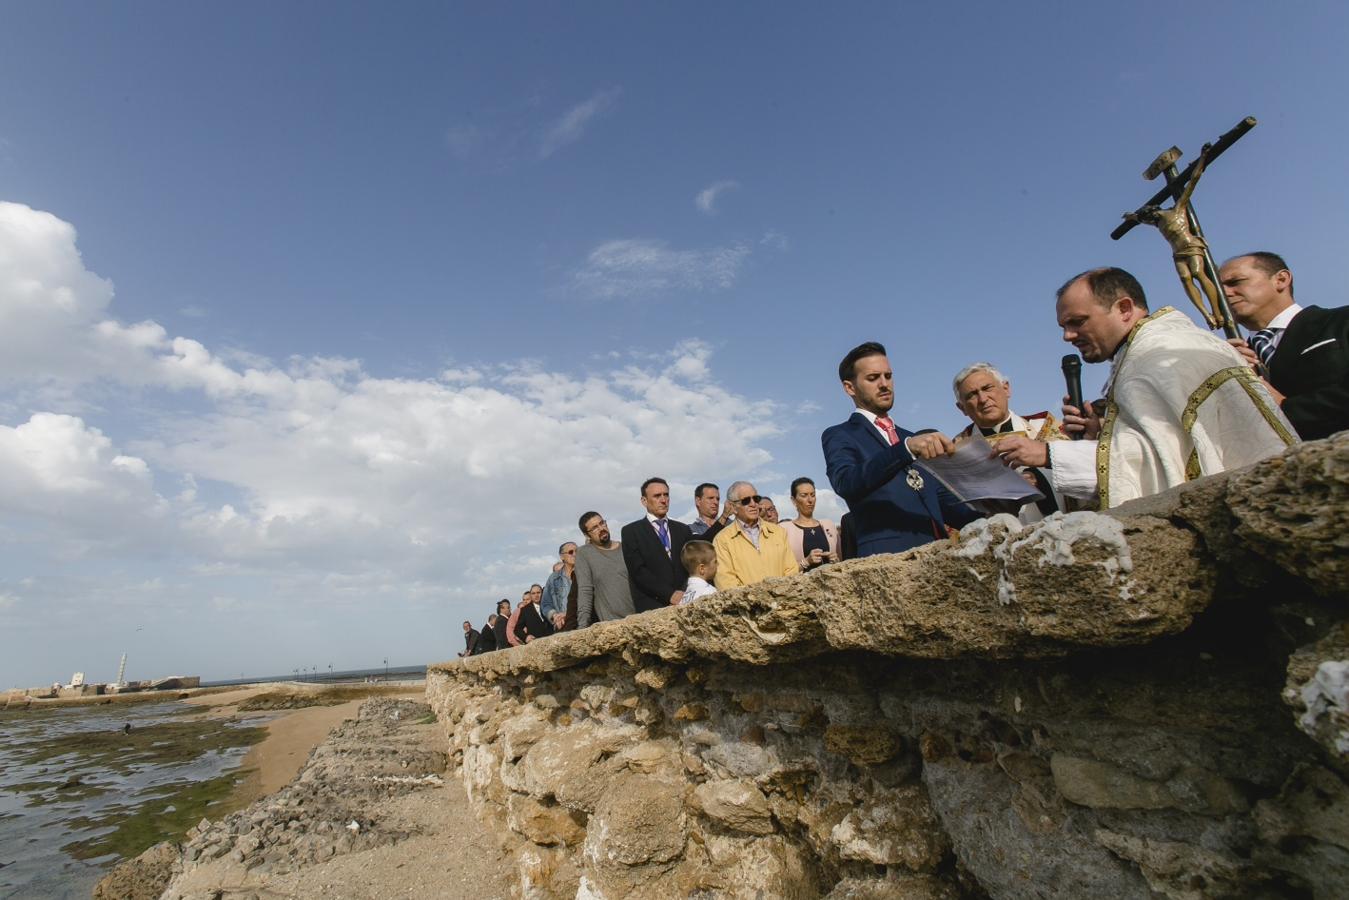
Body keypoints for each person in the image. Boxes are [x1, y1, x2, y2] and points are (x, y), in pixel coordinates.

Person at [993, 267, 1297, 509]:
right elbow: (1168, 448)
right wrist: (1097, 434)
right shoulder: (1148, 351)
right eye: (1063, 326)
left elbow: (1157, 466)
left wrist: (1049, 454)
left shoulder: (1160, 358)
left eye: (1077, 322)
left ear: (1124, 308)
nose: (1068, 336)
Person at [822, 342, 979, 557]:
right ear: (850, 387)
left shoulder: (911, 438)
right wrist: (905, 450)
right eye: (873, 378)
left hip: (938, 561)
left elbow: (943, 503)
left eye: (888, 376)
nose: (884, 384)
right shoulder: (841, 434)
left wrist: (997, 505)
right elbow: (846, 482)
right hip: (888, 562)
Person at [1220, 251, 1349, 440]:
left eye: (1235, 282)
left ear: (1281, 279)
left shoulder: (1341, 321)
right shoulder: (1230, 358)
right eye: (1217, 289)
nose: (1224, 293)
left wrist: (1283, 407)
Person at [952, 362, 1065, 524]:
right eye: (971, 395)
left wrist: (1039, 478)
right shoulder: (957, 450)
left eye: (987, 388)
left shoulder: (1046, 428)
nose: (983, 399)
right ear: (961, 408)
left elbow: (1079, 473)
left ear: (1006, 389)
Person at [621, 478, 694, 612]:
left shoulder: (683, 529)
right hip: (652, 607)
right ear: (644, 501)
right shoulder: (631, 532)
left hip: (685, 602)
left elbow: (691, 565)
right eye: (657, 496)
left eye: (666, 495)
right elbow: (638, 571)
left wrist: (684, 594)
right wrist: (669, 594)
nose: (663, 500)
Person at [712, 481, 800, 588]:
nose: (753, 504)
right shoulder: (722, 540)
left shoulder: (779, 532)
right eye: (746, 501)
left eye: (756, 499)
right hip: (747, 604)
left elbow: (791, 571)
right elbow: (726, 583)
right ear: (733, 507)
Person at [575, 511, 635, 627]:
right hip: (612, 626)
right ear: (587, 535)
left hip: (639, 619)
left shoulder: (626, 548)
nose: (601, 528)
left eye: (602, 523)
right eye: (594, 528)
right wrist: (582, 626)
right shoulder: (584, 554)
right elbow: (585, 590)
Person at [781, 477, 841, 569]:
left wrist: (836, 560)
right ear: (793, 500)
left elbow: (842, 560)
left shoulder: (829, 525)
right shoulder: (784, 529)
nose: (810, 500)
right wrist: (806, 561)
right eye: (804, 495)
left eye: (812, 495)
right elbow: (782, 569)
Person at [542, 542, 576, 629]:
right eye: (571, 552)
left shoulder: (585, 573)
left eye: (577, 551)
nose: (575, 554)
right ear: (562, 557)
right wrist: (555, 615)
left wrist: (568, 614)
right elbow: (546, 603)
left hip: (583, 623)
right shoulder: (553, 578)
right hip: (563, 626)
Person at [678, 540, 719, 605]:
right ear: (702, 568)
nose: (718, 564)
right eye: (715, 561)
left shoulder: (684, 598)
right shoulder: (709, 592)